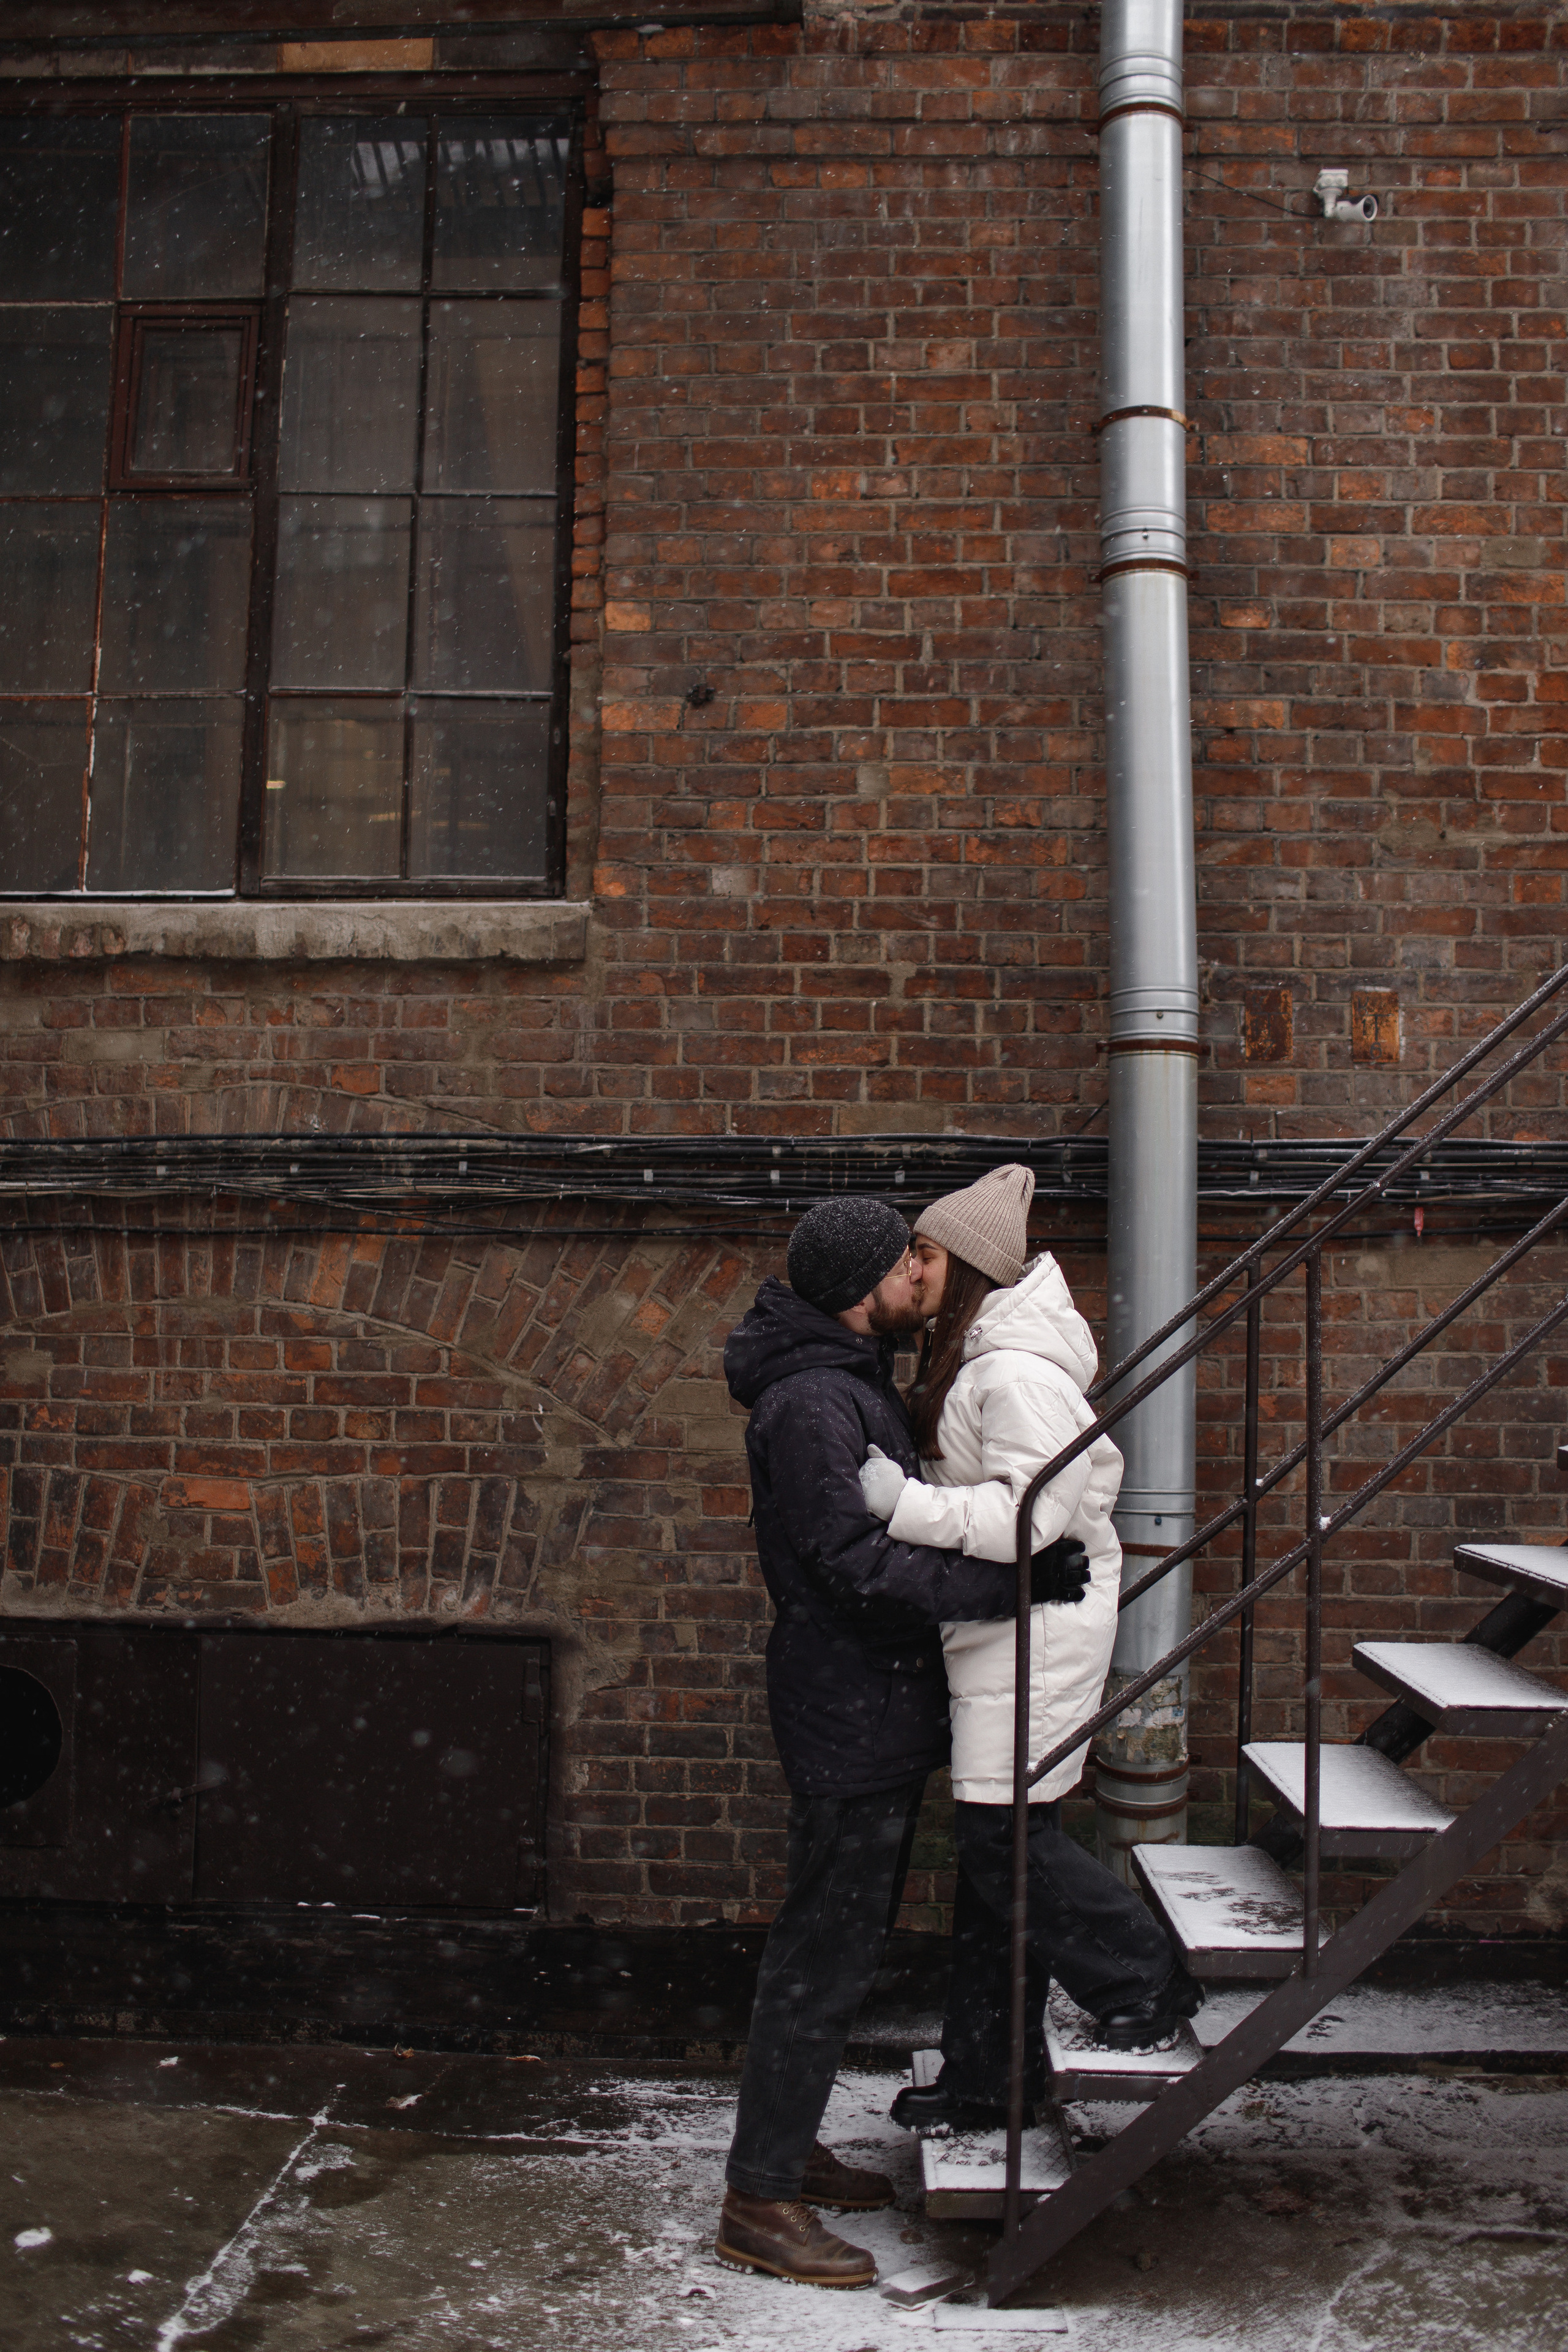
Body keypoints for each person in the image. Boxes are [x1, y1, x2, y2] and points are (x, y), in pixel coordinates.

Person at [715, 1194, 1091, 2289]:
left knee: (838, 1944)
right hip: (847, 1708)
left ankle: (780, 2154)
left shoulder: (845, 1380)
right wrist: (1001, 1587)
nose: (914, 1283)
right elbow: (852, 1564)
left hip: (867, 1703)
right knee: (822, 1954)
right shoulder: (813, 1404)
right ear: (857, 1289)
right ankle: (760, 2199)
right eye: (900, 1267)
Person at [857, 1163, 1202, 2136]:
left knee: (1004, 1843)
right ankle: (987, 2080)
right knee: (993, 1861)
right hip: (997, 1627)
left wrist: (903, 1504)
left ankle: (1143, 1980)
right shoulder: (982, 1358)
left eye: (922, 1253)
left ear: (962, 1267)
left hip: (1040, 1628)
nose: (910, 1270)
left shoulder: (1012, 1370)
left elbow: (1034, 1514)